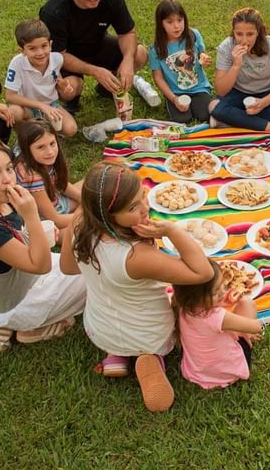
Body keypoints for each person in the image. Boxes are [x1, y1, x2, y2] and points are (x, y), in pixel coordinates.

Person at [59, 162, 213, 412]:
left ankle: (115, 356)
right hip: (150, 333)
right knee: (164, 321)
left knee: (118, 315)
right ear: (109, 215)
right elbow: (202, 272)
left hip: (99, 328)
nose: (145, 207)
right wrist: (172, 231)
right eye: (132, 207)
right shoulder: (135, 255)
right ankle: (150, 358)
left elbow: (68, 268)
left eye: (142, 195)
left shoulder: (77, 228)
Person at [0, 139, 86, 354]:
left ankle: (5, 322)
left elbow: (19, 236)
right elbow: (41, 265)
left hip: (11, 283)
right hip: (17, 300)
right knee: (92, 274)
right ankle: (29, 329)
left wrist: (38, 230)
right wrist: (32, 216)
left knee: (80, 263)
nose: (7, 179)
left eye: (8, 169)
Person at [38, 0, 147, 111]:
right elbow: (58, 55)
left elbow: (127, 33)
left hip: (97, 45)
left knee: (140, 53)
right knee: (71, 88)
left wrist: (128, 60)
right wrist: (95, 71)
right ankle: (71, 101)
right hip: (67, 55)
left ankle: (108, 88)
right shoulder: (53, 11)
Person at [172, 260, 263, 389]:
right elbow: (256, 326)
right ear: (197, 297)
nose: (222, 292)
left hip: (197, 371)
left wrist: (221, 304)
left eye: (223, 285)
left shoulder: (182, 308)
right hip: (228, 372)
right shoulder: (217, 316)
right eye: (215, 292)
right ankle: (246, 337)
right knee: (246, 303)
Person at [209, 7, 270, 135]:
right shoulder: (226, 47)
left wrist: (263, 103)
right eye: (239, 34)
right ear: (233, 32)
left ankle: (235, 119)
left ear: (258, 32)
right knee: (217, 108)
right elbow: (221, 90)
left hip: (268, 91)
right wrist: (235, 66)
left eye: (250, 34)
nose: (244, 40)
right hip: (238, 92)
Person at [4, 19, 81, 137]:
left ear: (50, 45)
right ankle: (24, 138)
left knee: (71, 129)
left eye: (44, 46)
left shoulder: (57, 59)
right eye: (32, 48)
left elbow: (57, 81)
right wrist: (41, 106)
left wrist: (64, 88)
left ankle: (46, 130)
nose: (40, 53)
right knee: (14, 112)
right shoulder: (17, 63)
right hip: (28, 109)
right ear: (22, 50)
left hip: (51, 105)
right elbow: (10, 96)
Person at [147, 0, 213, 123]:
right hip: (176, 92)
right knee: (183, 119)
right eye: (170, 22)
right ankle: (173, 104)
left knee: (205, 115)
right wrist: (173, 99)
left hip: (199, 88)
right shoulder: (156, 49)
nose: (176, 26)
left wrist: (204, 58)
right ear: (161, 23)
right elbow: (158, 78)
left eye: (179, 20)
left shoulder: (194, 35)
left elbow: (202, 53)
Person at [13, 119, 82, 229]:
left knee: (94, 185)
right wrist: (89, 215)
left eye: (52, 143)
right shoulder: (32, 176)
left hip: (56, 199)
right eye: (41, 147)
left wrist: (82, 199)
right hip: (46, 221)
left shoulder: (38, 160)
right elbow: (55, 220)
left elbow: (60, 183)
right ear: (26, 149)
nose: (50, 152)